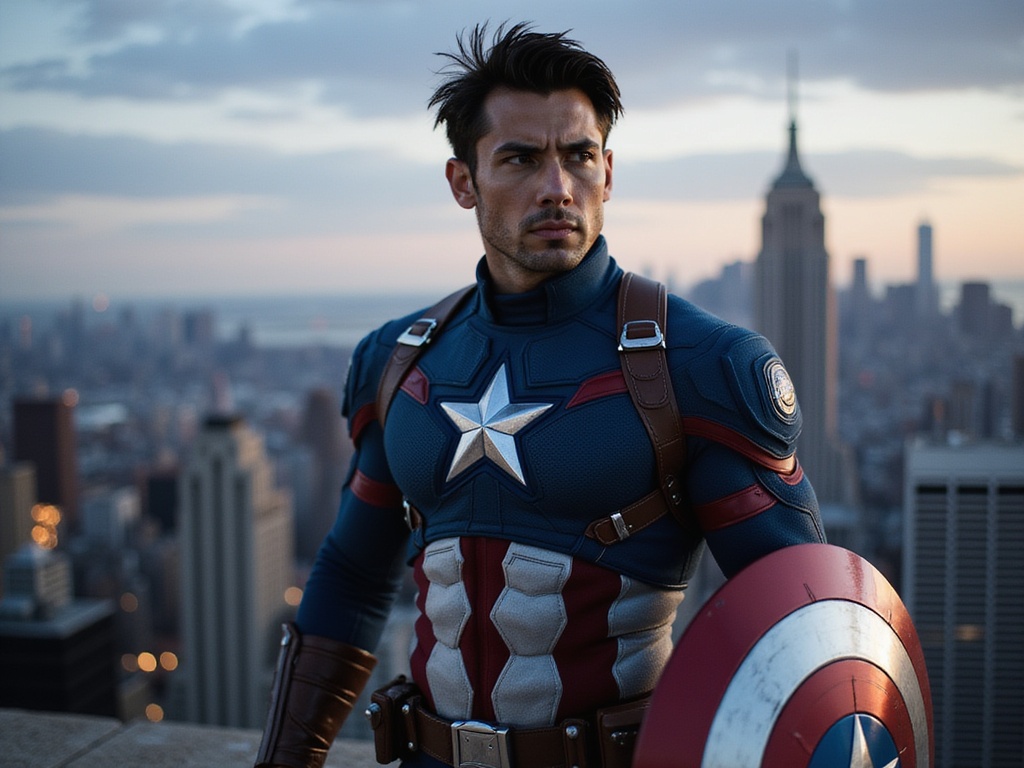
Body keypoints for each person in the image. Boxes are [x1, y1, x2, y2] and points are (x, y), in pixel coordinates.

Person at [255, 22, 825, 768]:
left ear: (609, 173)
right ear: (464, 182)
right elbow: (352, 577)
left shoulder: (703, 367)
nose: (557, 189)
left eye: (578, 157)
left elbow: (801, 624)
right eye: (521, 159)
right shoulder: (400, 363)